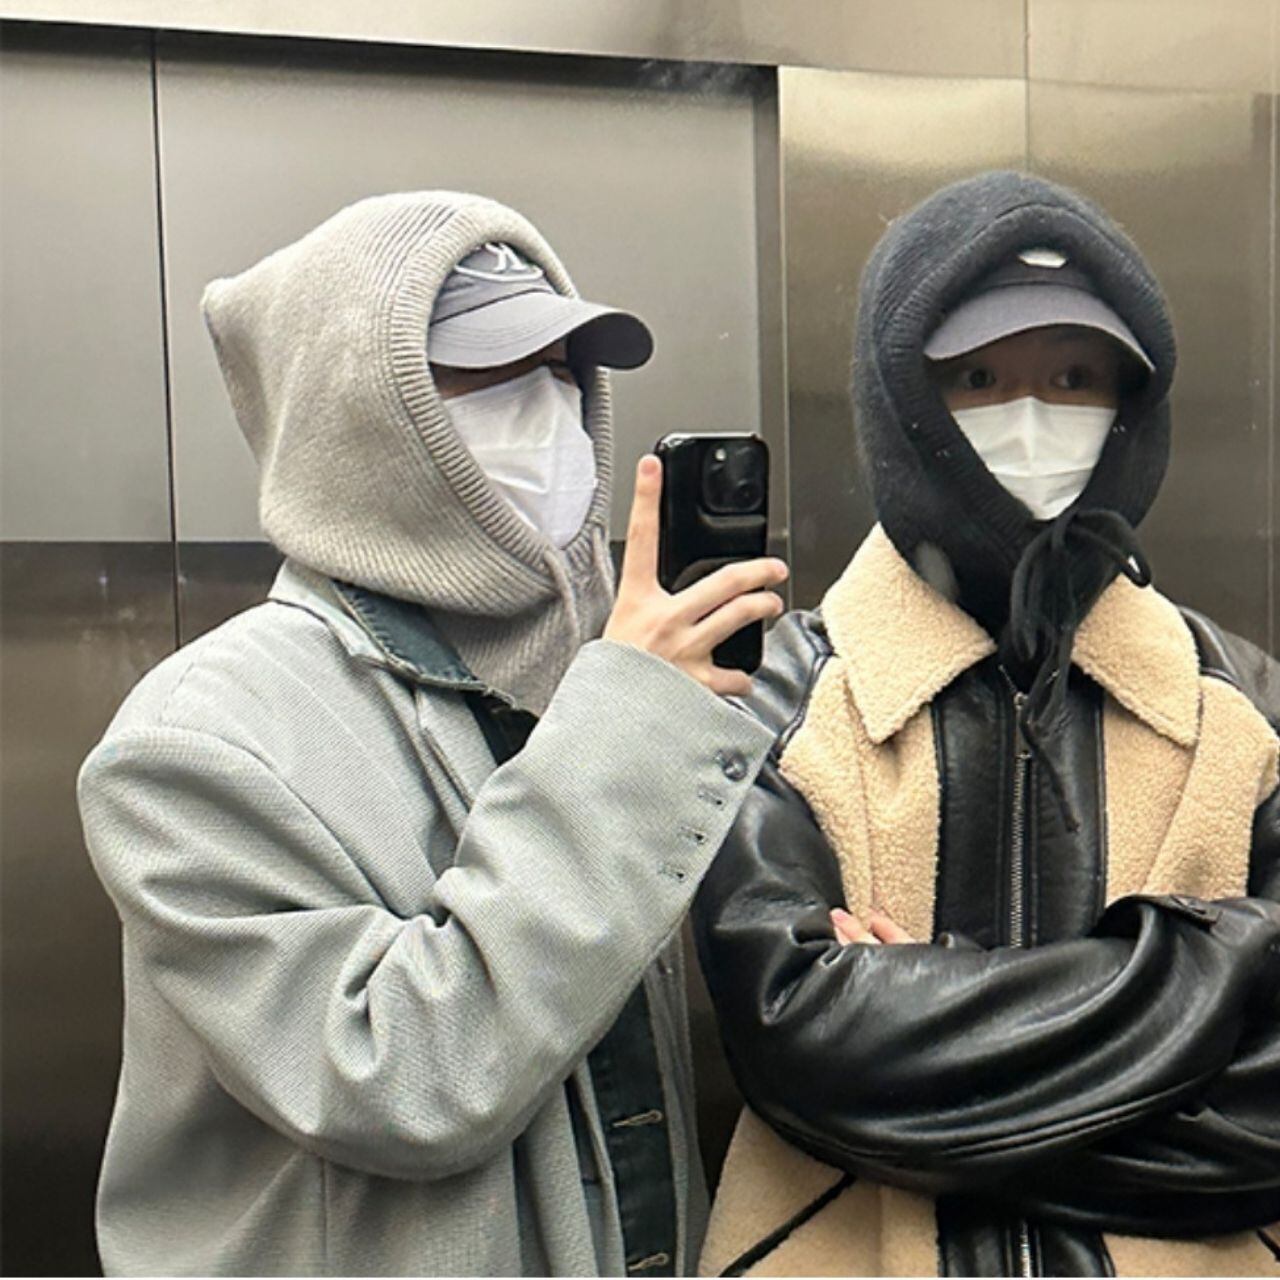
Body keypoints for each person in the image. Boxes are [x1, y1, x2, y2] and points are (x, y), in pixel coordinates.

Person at [77, 193, 789, 1276]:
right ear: (359, 412)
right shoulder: (198, 740)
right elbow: (407, 1078)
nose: (547, 410)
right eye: (488, 376)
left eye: (561, 370)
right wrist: (635, 721)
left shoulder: (604, 669)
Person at [692, 170, 1280, 1277]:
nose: (1030, 415)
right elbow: (796, 1042)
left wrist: (923, 1072)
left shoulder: (1239, 706)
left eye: (1073, 376)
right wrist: (1227, 959)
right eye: (975, 377)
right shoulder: (776, 697)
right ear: (901, 400)